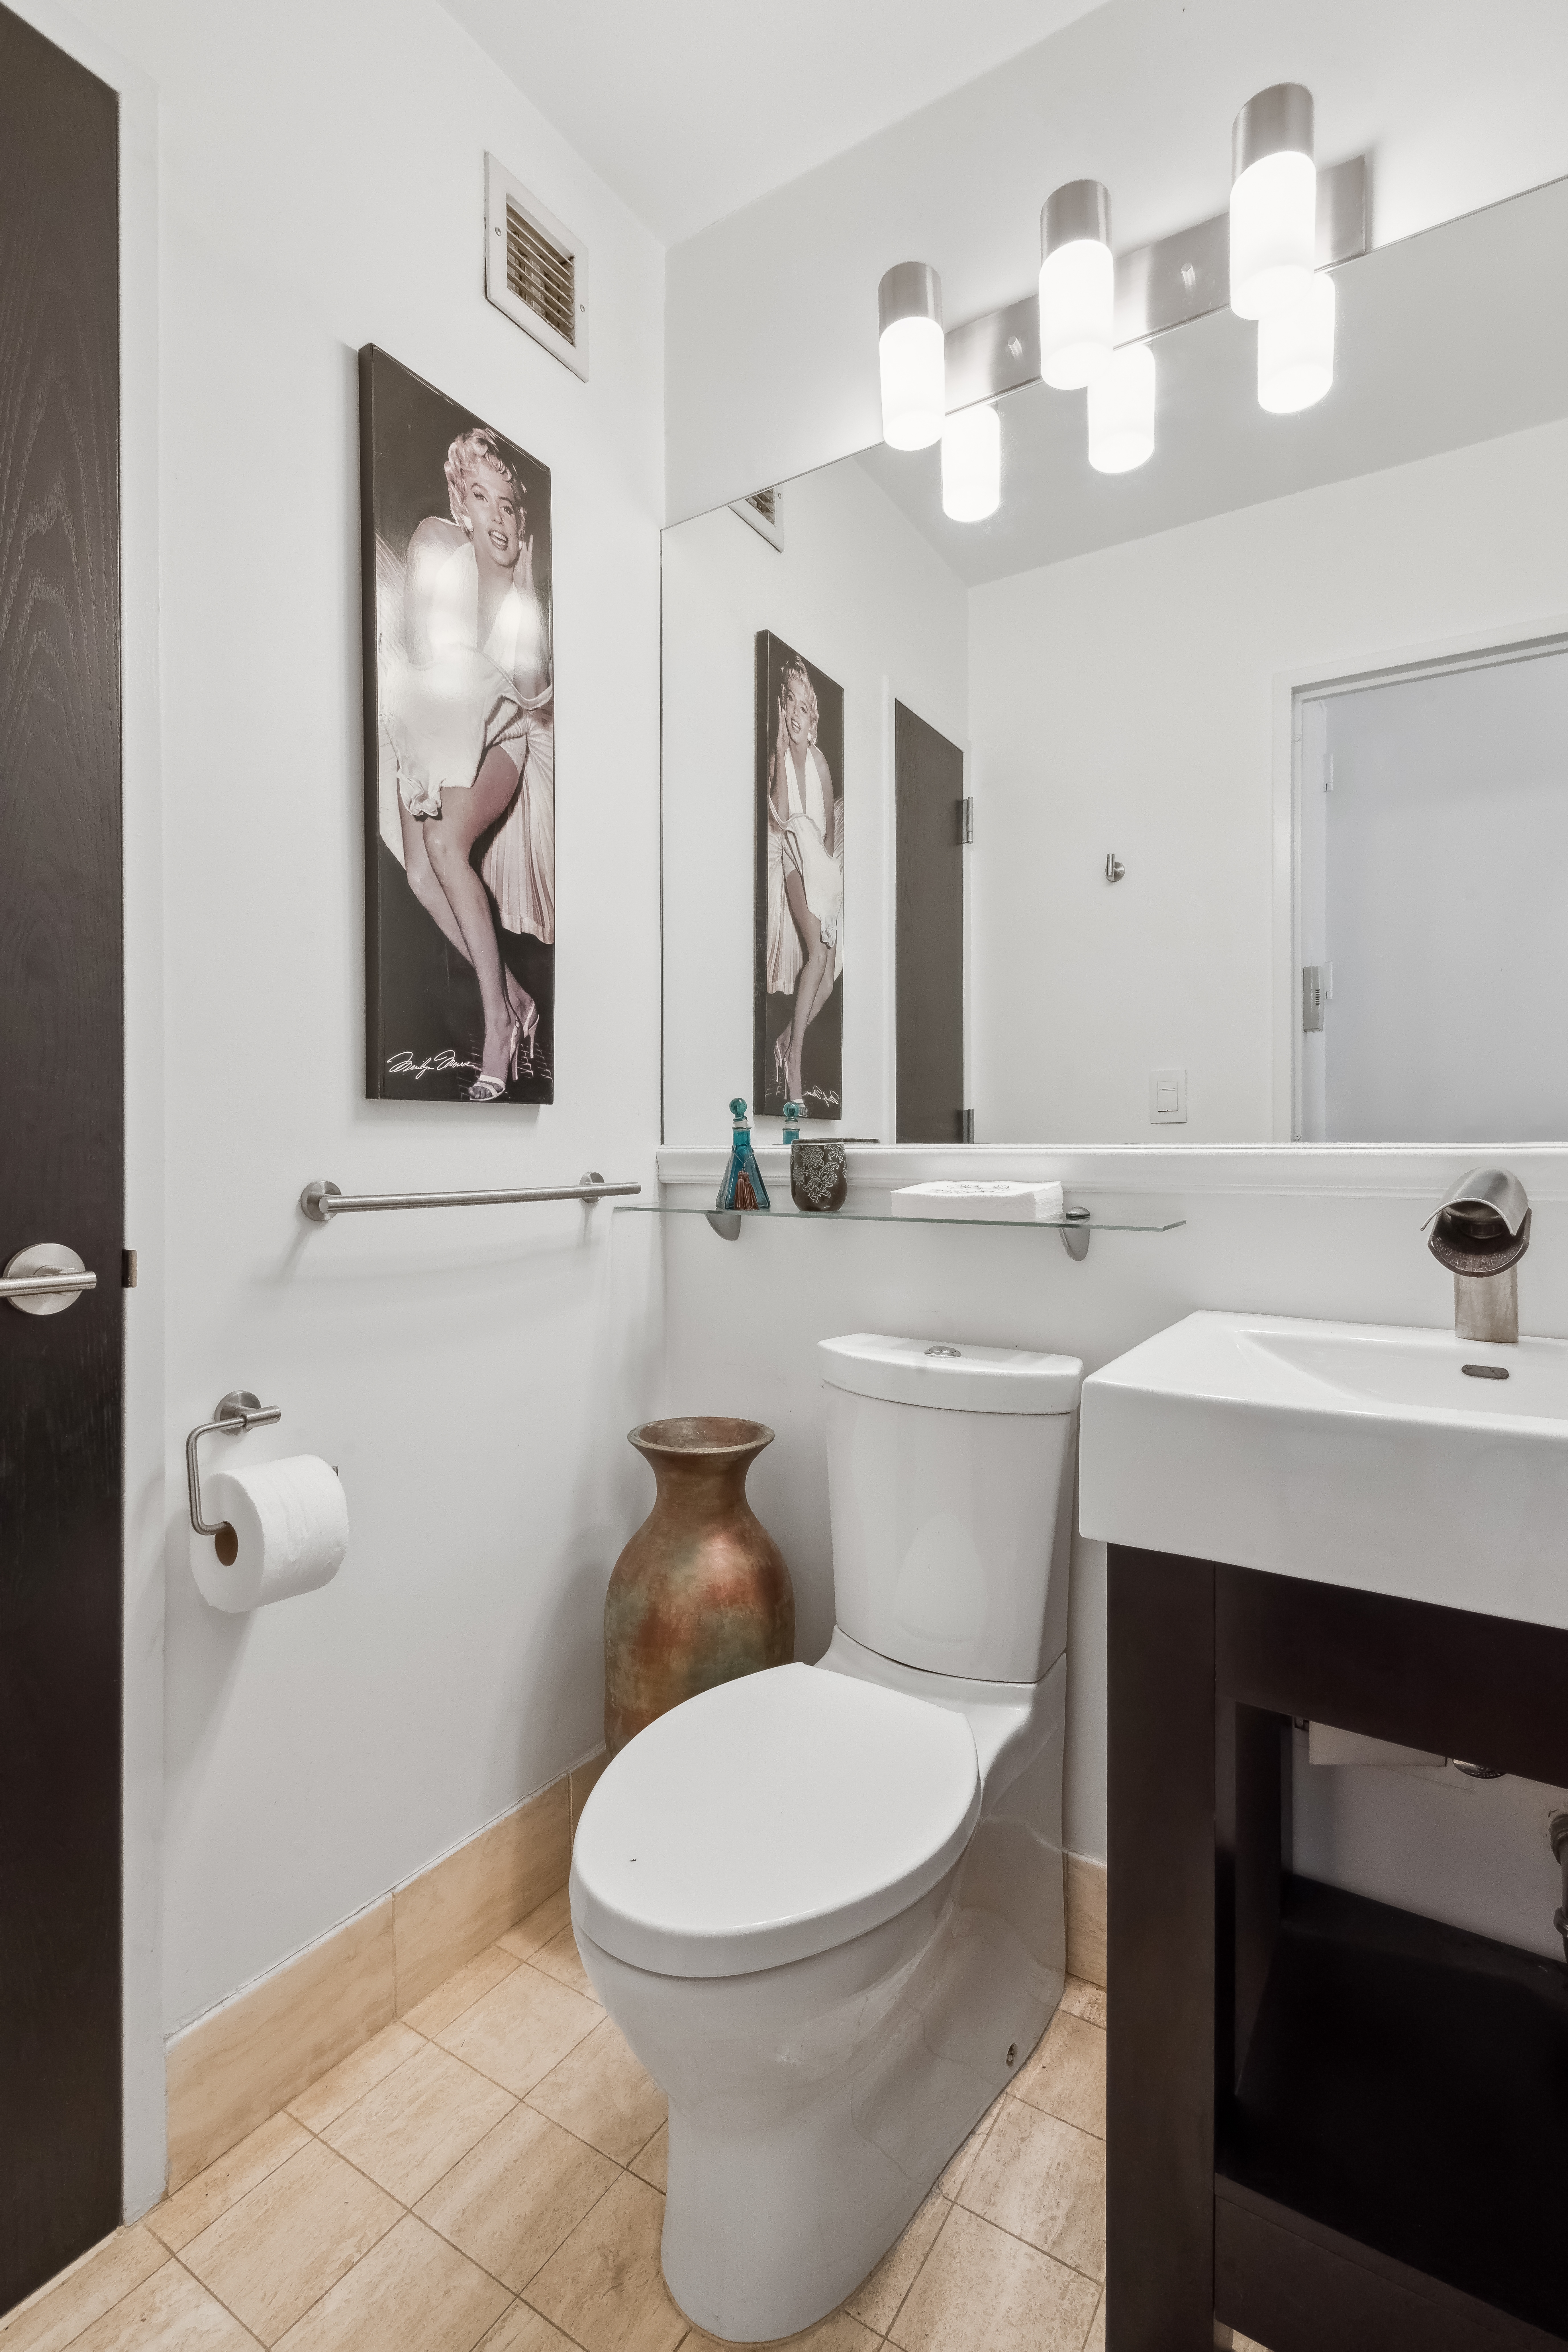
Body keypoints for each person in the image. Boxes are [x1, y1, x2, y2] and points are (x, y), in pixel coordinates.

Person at [381, 427, 554, 1101]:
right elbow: (418, 647)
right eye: (481, 497)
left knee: (447, 846)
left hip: (502, 732)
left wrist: (529, 591)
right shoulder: (433, 541)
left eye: (508, 503)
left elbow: (535, 692)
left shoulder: (521, 591)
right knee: (423, 872)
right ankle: (514, 1000)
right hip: (437, 715)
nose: (498, 516)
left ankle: (497, 1030)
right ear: (461, 504)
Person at [765, 658, 842, 1104]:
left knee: (828, 982)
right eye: (788, 702)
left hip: (824, 866)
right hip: (793, 856)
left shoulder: (820, 761)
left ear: (814, 717)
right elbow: (779, 816)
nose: (796, 714)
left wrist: (830, 889)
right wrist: (778, 743)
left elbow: (830, 837)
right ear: (784, 709)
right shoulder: (783, 757)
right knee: (816, 957)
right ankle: (795, 1062)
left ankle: (783, 1044)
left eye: (803, 706)